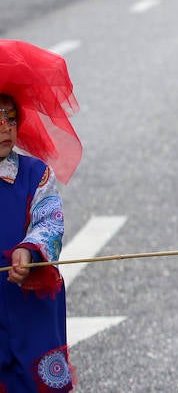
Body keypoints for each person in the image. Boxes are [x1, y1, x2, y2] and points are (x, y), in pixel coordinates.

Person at [0, 40, 82, 392]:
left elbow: (49, 220)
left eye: (10, 118)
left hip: (26, 304)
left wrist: (30, 250)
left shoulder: (35, 174)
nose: (5, 128)